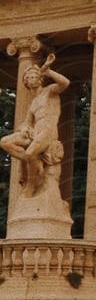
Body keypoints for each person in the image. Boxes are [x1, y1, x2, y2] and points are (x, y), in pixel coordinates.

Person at [1, 52, 69, 195]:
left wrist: (48, 71)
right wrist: (25, 128)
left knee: (31, 152)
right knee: (5, 142)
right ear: (26, 82)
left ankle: (31, 184)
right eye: (28, 78)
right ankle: (35, 162)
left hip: (48, 130)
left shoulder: (50, 91)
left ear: (40, 79)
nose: (31, 79)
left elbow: (65, 83)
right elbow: (26, 122)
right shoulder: (33, 104)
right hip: (35, 132)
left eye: (33, 76)